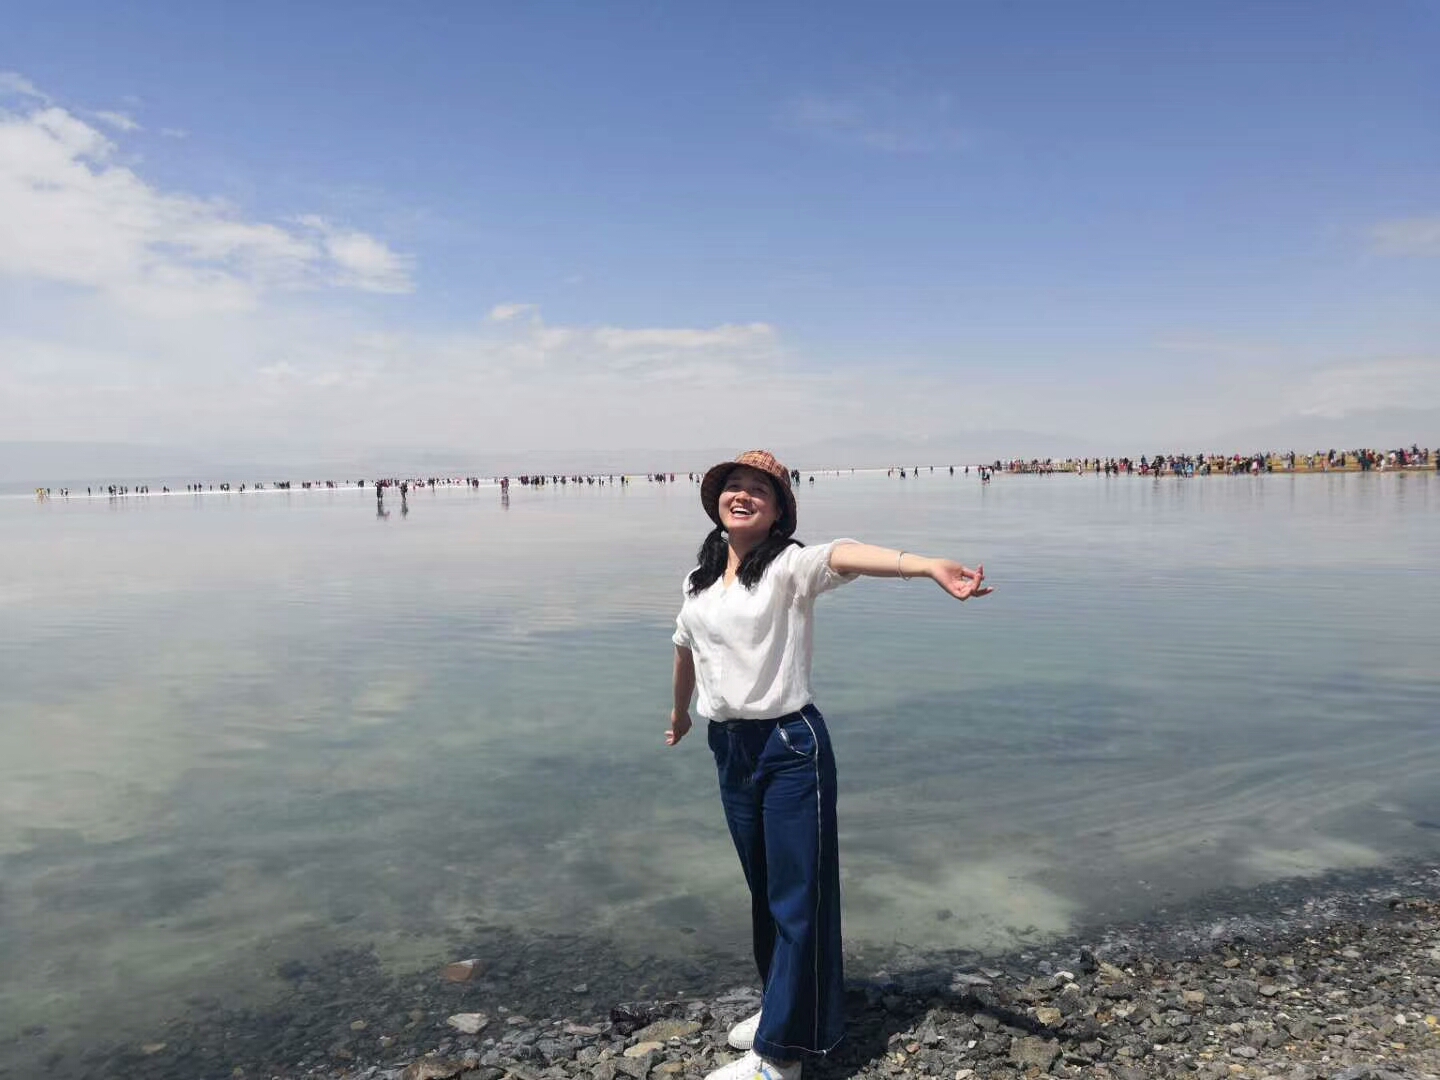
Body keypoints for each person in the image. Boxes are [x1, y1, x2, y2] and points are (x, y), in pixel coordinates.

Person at [666, 450, 992, 1080]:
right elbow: (685, 647)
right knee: (766, 890)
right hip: (730, 746)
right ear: (716, 501)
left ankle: (780, 1058)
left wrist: (926, 565)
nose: (742, 495)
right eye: (734, 486)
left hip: (790, 746)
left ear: (779, 511)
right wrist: (679, 713)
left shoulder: (789, 566)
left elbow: (845, 553)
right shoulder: (698, 579)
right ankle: (783, 1009)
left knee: (799, 897)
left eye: (758, 489)